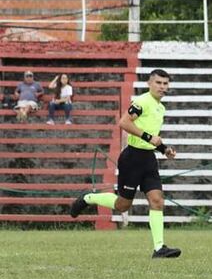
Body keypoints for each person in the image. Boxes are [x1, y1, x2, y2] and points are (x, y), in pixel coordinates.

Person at [69, 69, 182, 259]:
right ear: (149, 83)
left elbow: (152, 136)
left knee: (157, 200)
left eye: (165, 83)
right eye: (159, 83)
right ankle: (88, 198)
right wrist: (148, 137)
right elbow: (124, 122)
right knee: (122, 205)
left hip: (148, 160)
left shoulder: (161, 107)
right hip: (132, 159)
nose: (162, 87)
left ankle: (159, 248)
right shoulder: (141, 102)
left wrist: (164, 150)